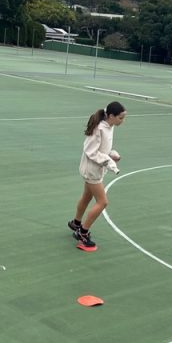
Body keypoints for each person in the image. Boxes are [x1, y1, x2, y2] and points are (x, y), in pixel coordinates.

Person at [69, 101, 127, 252]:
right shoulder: (99, 129)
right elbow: (91, 151)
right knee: (102, 202)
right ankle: (82, 233)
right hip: (91, 171)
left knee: (87, 196)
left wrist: (112, 154)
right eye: (121, 118)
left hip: (95, 169)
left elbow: (103, 149)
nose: (122, 121)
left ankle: (76, 223)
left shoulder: (109, 127)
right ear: (111, 116)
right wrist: (109, 162)